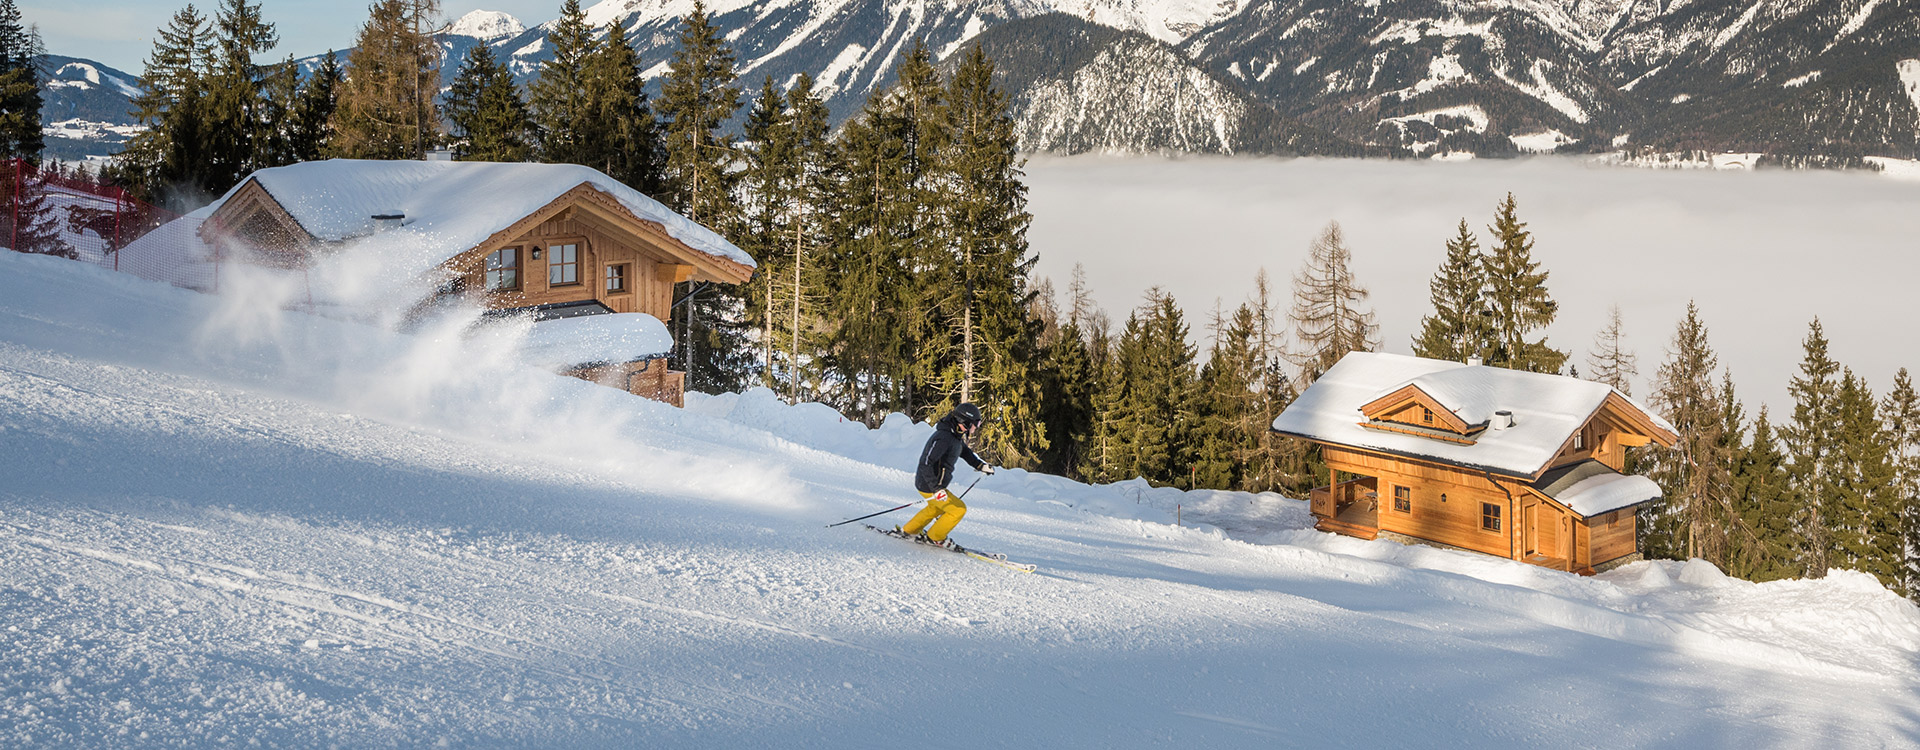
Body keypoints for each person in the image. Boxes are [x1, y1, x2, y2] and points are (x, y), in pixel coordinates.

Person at [900, 403, 995, 549]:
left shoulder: (955, 435)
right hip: (929, 484)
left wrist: (980, 465)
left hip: (934, 484)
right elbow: (926, 463)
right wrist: (936, 489)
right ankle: (935, 537)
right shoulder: (944, 437)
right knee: (958, 509)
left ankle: (909, 531)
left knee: (935, 508)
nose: (976, 428)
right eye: (975, 424)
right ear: (965, 422)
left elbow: (964, 452)